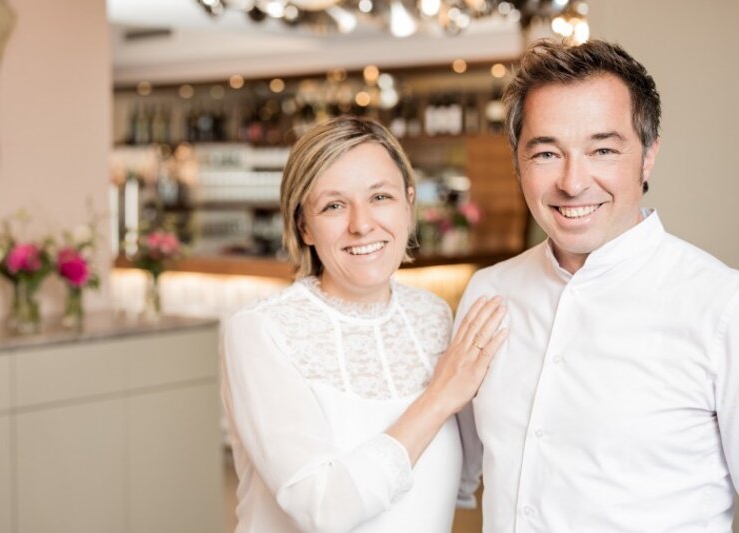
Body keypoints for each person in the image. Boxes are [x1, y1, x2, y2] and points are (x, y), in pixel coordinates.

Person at [455, 39, 739, 532]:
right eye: (546, 153)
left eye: (603, 150)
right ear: (518, 162)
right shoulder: (488, 293)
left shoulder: (722, 304)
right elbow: (452, 473)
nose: (572, 182)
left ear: (648, 156)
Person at [220, 115, 507, 532]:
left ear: (408, 204)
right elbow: (322, 508)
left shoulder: (434, 315)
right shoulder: (259, 331)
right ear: (304, 226)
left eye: (380, 197)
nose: (361, 224)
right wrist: (439, 398)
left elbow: (457, 483)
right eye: (334, 206)